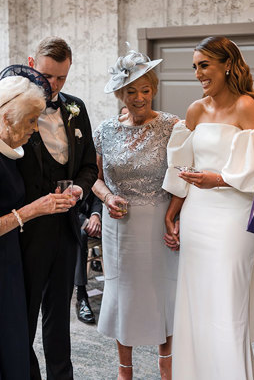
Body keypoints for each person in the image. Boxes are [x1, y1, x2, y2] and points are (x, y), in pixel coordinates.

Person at [0, 38, 98, 380]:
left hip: (66, 227)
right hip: (24, 233)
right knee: (23, 319)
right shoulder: (12, 104)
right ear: (32, 63)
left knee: (59, 320)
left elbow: (89, 165)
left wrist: (79, 188)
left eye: (62, 78)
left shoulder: (76, 109)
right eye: (47, 75)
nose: (54, 85)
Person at [162, 36, 254, 379]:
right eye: (195, 67)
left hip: (234, 217)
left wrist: (220, 179)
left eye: (204, 65)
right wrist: (172, 211)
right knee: (196, 303)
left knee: (226, 302)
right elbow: (181, 166)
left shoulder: (248, 107)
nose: (198, 74)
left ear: (227, 65)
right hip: (197, 216)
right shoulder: (195, 109)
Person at [91, 50, 179, 379]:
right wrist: (107, 196)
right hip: (119, 227)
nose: (139, 97)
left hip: (159, 223)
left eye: (145, 90)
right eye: (131, 91)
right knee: (122, 296)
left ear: (153, 89)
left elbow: (182, 177)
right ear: (120, 94)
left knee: (163, 293)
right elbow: (93, 178)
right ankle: (124, 371)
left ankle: (166, 367)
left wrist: (175, 217)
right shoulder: (104, 130)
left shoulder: (172, 125)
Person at [73, 192, 102, 325]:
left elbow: (95, 190)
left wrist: (96, 215)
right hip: (69, 220)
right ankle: (81, 296)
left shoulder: (91, 171)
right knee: (81, 234)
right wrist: (85, 222)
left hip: (94, 216)